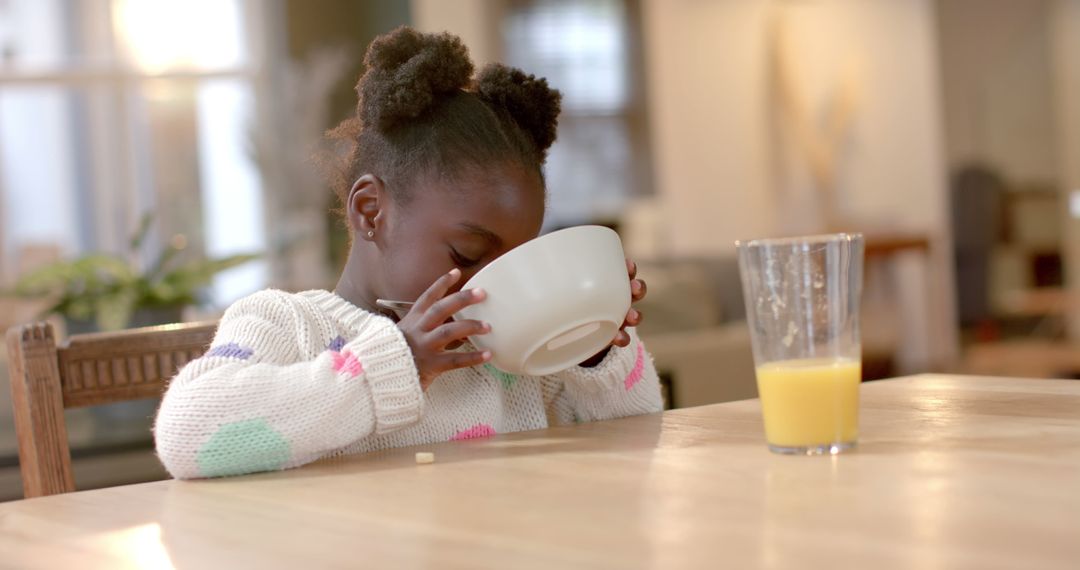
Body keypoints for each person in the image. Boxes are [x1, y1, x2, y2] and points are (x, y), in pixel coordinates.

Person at [154, 27, 662, 479]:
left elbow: (634, 437)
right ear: (372, 211)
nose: (490, 283)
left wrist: (593, 352)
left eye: (514, 259)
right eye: (467, 253)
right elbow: (188, 433)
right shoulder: (287, 325)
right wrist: (400, 364)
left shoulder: (502, 357)